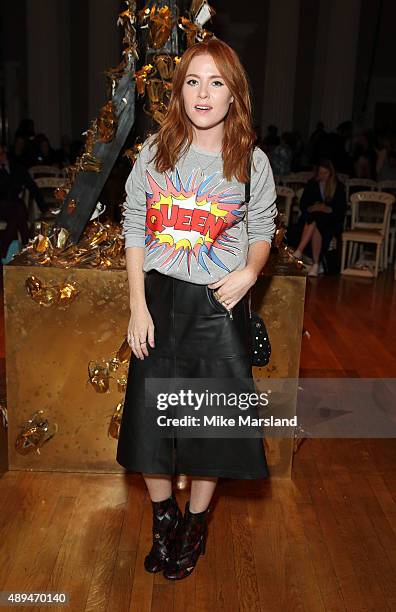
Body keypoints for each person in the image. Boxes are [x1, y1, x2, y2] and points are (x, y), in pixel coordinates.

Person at [116, 38, 277, 580]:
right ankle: (163, 520)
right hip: (159, 302)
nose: (203, 92)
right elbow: (134, 224)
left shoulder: (251, 160)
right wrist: (138, 306)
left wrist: (251, 272)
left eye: (216, 82)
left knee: (212, 427)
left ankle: (195, 523)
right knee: (149, 426)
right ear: (179, 90)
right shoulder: (154, 152)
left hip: (216, 305)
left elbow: (262, 229)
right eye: (193, 80)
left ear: (234, 95)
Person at [293, 159, 346, 276]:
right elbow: (303, 204)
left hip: (330, 220)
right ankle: (316, 264)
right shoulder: (312, 183)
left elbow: (340, 209)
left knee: (317, 221)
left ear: (331, 174)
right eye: (320, 172)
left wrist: (327, 209)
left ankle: (299, 251)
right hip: (312, 219)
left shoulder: (338, 186)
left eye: (325, 173)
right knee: (315, 221)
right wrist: (313, 207)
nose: (322, 176)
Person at [0, 144, 48, 259]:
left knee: (17, 212)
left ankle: (6, 248)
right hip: (1, 205)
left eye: (2, 153)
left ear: (5, 154)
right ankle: (27, 246)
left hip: (14, 206)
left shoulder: (16, 167)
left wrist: (44, 209)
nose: (1, 156)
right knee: (19, 211)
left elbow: (33, 187)